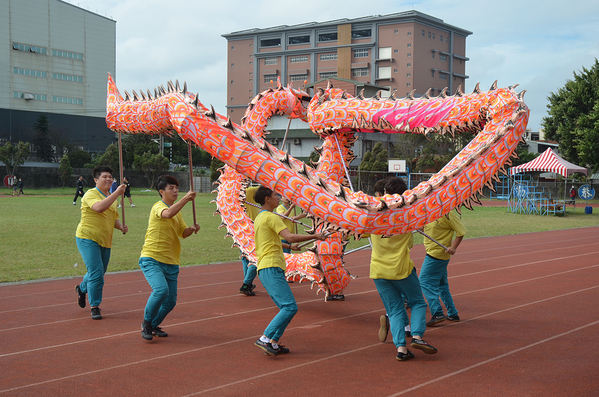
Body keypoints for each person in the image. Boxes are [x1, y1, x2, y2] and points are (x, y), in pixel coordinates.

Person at [253, 185, 327, 356]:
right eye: (275, 195)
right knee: (289, 307)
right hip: (271, 266)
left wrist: (289, 246)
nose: (278, 197)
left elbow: (273, 241)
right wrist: (315, 236)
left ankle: (273, 342)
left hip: (266, 267)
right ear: (267, 199)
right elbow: (290, 236)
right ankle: (265, 338)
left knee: (285, 307)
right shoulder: (272, 217)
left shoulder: (260, 218)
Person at [370, 177, 437, 361]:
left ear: (384, 193)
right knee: (417, 302)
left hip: (378, 271)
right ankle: (416, 336)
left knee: (395, 310)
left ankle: (401, 349)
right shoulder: (408, 216)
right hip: (401, 269)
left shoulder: (372, 215)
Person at [139, 175, 200, 341]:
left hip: (171, 262)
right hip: (152, 258)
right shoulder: (158, 206)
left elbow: (182, 233)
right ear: (161, 191)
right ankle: (146, 323)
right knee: (161, 290)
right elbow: (167, 214)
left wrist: (192, 228)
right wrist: (186, 199)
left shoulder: (177, 213)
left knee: (170, 301)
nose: (175, 191)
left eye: (176, 188)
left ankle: (153, 324)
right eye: (171, 188)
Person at [74, 166, 128, 320]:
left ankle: (82, 288)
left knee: (98, 272)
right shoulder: (91, 194)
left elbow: (113, 218)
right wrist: (117, 193)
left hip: (105, 240)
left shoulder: (112, 197)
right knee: (97, 273)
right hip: (87, 237)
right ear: (96, 180)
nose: (108, 179)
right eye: (104, 177)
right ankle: (95, 306)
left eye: (110, 177)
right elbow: (98, 208)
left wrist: (121, 226)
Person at [419, 210, 467, 327]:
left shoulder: (447, 214)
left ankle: (437, 312)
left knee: (424, 282)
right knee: (442, 285)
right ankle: (452, 313)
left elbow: (461, 231)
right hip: (432, 252)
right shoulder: (428, 213)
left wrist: (454, 247)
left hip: (437, 254)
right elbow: (423, 229)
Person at [239, 185, 260, 296]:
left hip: (240, 231)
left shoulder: (233, 196)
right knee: (255, 259)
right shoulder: (250, 191)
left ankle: (248, 283)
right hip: (251, 231)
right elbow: (266, 186)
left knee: (245, 258)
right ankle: (246, 284)